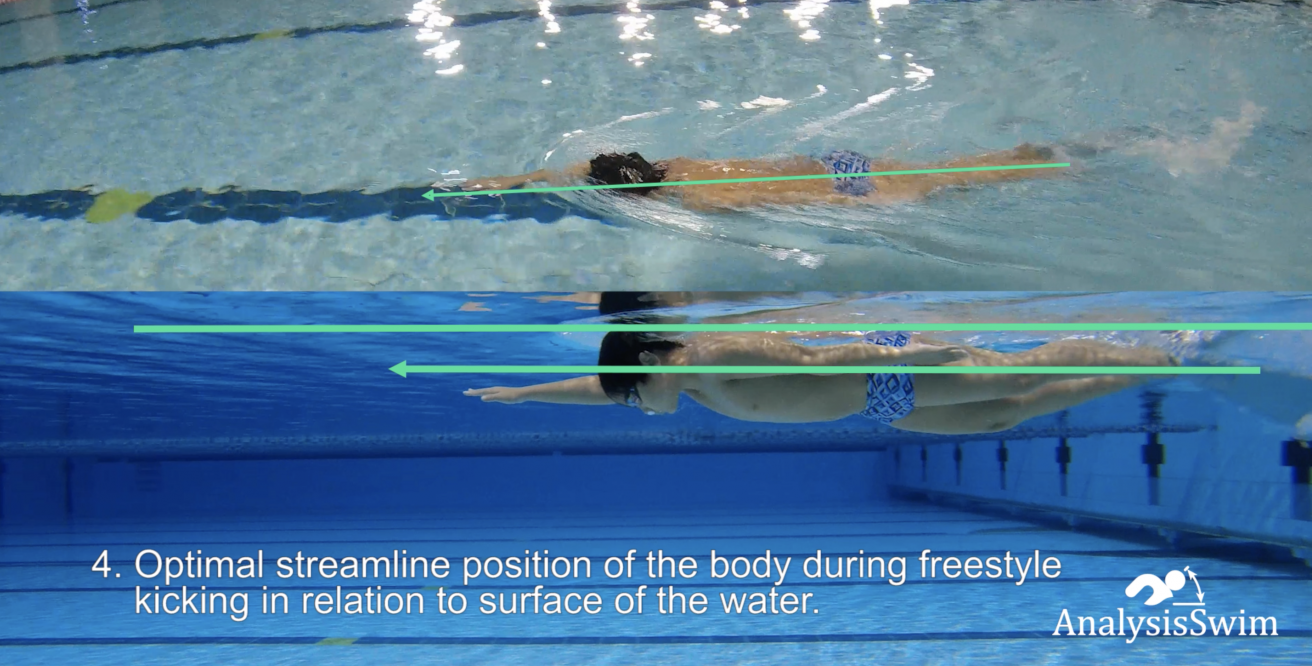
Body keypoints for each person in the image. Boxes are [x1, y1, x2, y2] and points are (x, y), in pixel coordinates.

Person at [464, 331, 1178, 435]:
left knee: (1022, 374)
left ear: (648, 369)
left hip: (882, 375)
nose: (634, 407)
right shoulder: (679, 381)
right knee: (1003, 415)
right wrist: (522, 394)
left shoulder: (714, 359)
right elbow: (596, 387)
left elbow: (817, 357)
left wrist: (918, 353)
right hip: (873, 403)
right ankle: (1154, 360)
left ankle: (1163, 350)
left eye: (631, 396)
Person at [436, 144, 1064, 210]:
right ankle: (1039, 154)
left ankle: (1050, 165)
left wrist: (861, 207)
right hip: (836, 164)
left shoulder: (696, 201)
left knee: (958, 182)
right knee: (954, 169)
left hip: (844, 192)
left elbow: (781, 202)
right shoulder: (677, 164)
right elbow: (568, 170)